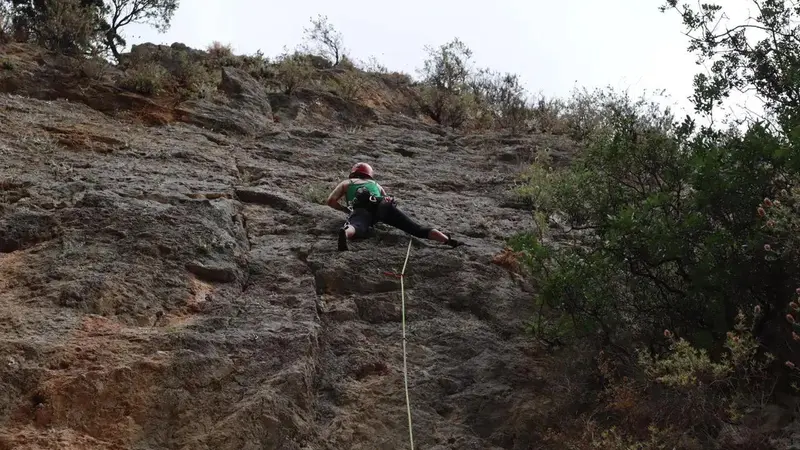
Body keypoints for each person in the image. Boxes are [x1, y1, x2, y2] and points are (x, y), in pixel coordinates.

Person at [326, 162, 464, 251]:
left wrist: (345, 209)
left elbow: (331, 201)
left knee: (357, 226)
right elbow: (386, 198)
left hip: (361, 208)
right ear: (369, 174)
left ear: (354, 172)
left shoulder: (347, 182)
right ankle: (447, 240)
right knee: (416, 229)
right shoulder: (376, 185)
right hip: (383, 206)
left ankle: (345, 233)